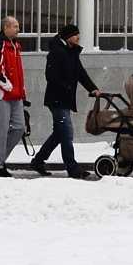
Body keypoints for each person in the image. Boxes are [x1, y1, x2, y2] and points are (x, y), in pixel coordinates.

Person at [30, 22, 95, 178]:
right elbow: (50, 76)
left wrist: (93, 88)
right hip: (57, 99)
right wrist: (65, 86)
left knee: (59, 134)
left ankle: (38, 161)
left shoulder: (70, 51)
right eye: (75, 35)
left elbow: (80, 73)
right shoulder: (57, 52)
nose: (78, 38)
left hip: (64, 99)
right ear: (68, 37)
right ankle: (72, 168)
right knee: (67, 133)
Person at [0, 13, 29, 176]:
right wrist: (9, 88)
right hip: (0, 96)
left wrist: (21, 92)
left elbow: (19, 72)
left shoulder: (15, 45)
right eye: (15, 26)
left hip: (15, 95)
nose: (18, 29)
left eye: (17, 26)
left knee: (19, 127)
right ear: (6, 27)